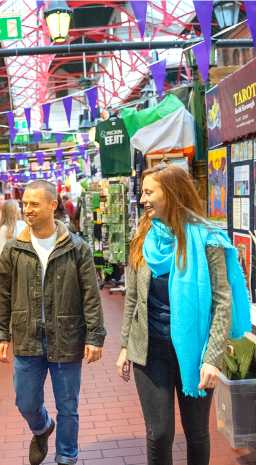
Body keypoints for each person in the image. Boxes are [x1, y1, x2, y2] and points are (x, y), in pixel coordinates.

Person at [116, 164, 250, 465]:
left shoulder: (207, 239)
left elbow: (222, 303)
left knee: (196, 432)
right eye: (142, 192)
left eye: (149, 192)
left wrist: (212, 359)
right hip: (149, 349)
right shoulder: (143, 236)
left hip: (194, 350)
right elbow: (134, 298)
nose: (142, 200)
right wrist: (126, 345)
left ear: (172, 194)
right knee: (159, 433)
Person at [0, 180, 106, 465]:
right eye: (25, 204)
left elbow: (91, 294)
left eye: (34, 204)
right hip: (27, 335)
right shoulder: (14, 249)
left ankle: (67, 456)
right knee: (26, 401)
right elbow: (3, 293)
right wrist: (0, 333)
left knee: (68, 406)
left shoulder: (77, 247)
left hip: (67, 336)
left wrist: (95, 336)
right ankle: (42, 427)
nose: (27, 210)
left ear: (53, 205)